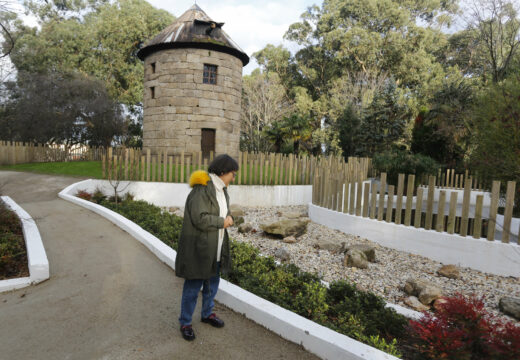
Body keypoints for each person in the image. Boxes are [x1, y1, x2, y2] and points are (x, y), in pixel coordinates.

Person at [175, 154, 238, 341]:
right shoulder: (201, 190)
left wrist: (229, 218)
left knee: (212, 284)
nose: (234, 178)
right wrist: (222, 222)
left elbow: (223, 211)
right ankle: (185, 322)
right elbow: (199, 218)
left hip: (215, 248)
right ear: (223, 172)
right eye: (232, 174)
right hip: (200, 248)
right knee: (193, 287)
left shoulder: (222, 191)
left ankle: (207, 314)